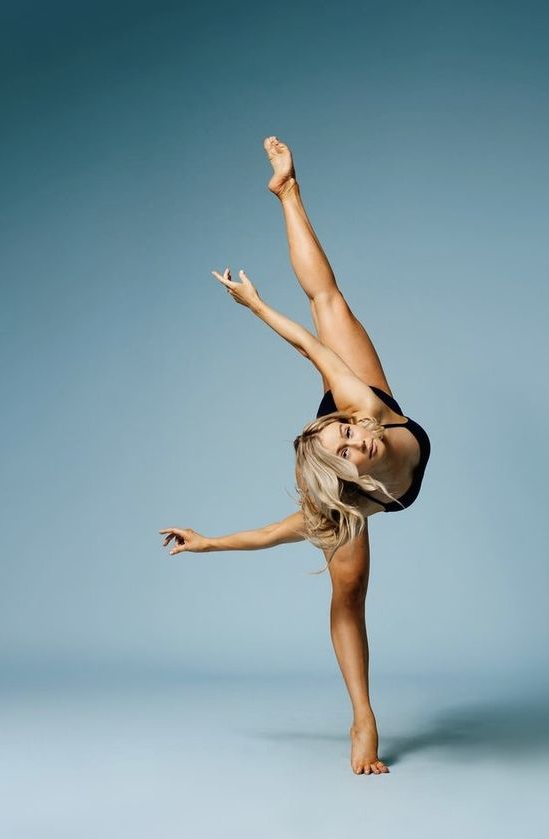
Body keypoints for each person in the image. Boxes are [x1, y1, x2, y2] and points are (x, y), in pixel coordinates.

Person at [159, 137, 431, 776]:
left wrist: (253, 304)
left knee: (329, 302)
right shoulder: (343, 501)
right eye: (347, 446)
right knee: (349, 590)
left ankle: (287, 192)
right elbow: (271, 533)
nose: (357, 439)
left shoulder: (360, 408)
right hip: (343, 486)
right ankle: (363, 715)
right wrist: (207, 543)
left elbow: (312, 339)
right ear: (347, 478)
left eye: (346, 433)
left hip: (380, 415)